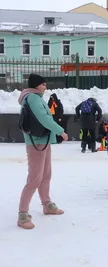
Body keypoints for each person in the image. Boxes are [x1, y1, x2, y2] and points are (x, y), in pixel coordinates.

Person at [17, 73, 68, 230]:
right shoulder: (32, 98)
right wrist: (60, 131)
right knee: (34, 178)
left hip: (43, 141)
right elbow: (44, 119)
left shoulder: (36, 98)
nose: (46, 87)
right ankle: (22, 214)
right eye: (43, 84)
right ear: (36, 85)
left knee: (46, 175)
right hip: (36, 143)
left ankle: (46, 204)